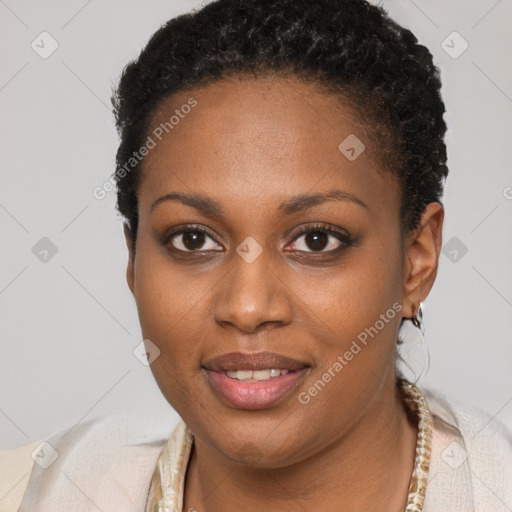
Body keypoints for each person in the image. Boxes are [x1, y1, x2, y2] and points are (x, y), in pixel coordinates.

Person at [2, 0, 511, 510]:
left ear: (416, 261)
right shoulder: (42, 489)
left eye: (317, 240)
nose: (247, 308)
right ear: (134, 260)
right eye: (193, 239)